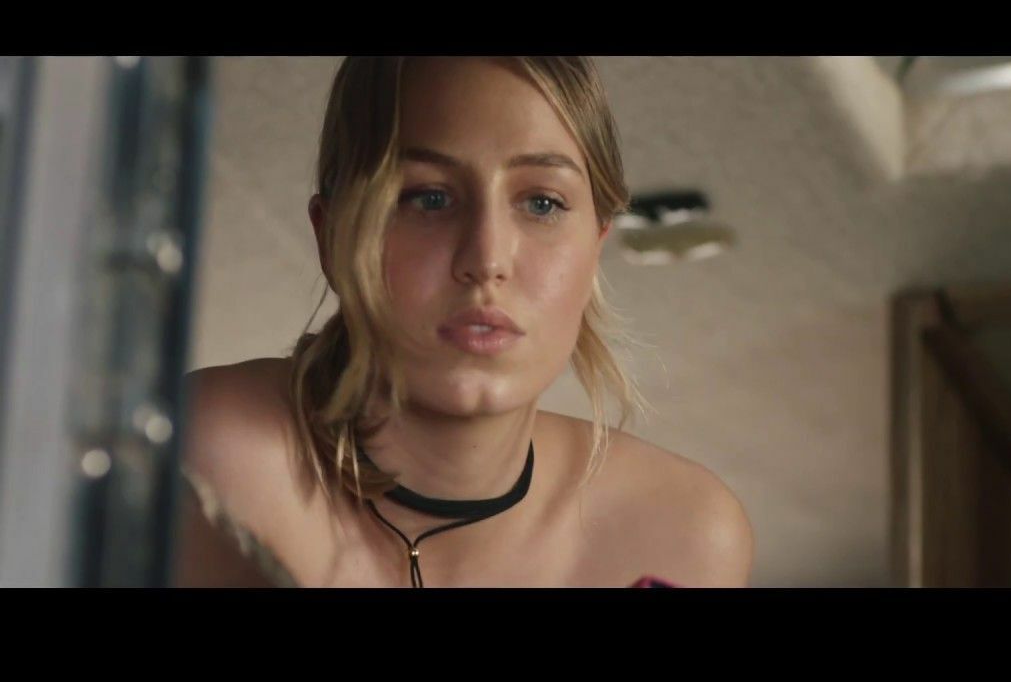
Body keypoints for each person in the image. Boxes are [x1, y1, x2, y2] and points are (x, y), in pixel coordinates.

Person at [173, 56, 754, 588]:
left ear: (596, 246)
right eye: (428, 198)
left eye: (542, 203)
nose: (487, 258)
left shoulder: (684, 535)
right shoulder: (199, 458)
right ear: (333, 236)